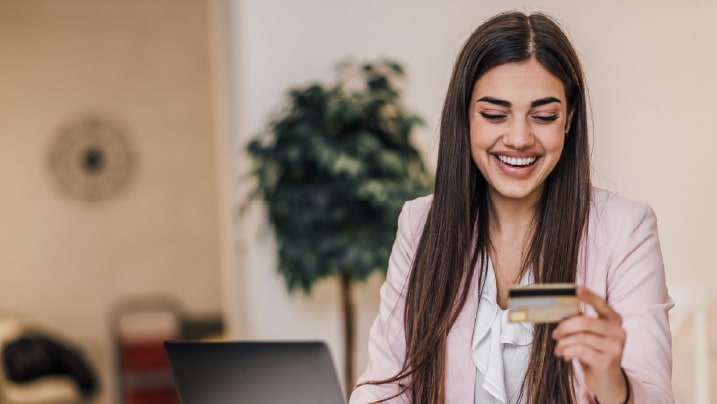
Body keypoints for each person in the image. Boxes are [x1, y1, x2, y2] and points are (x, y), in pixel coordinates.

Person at [349, 10, 674, 404]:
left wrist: (612, 382)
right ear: (465, 117)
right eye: (494, 114)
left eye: (543, 116)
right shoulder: (421, 225)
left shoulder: (626, 230)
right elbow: (386, 386)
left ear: (569, 120)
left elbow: (655, 395)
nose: (519, 138)